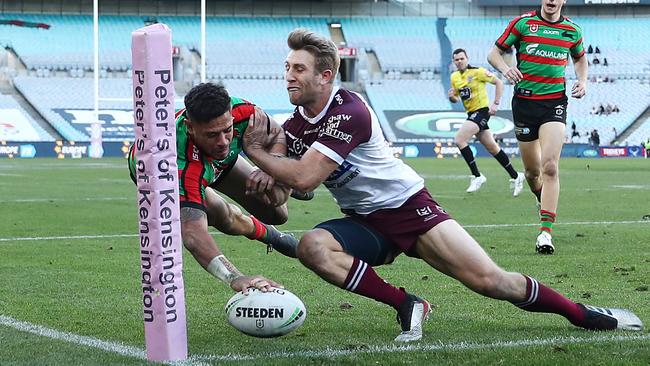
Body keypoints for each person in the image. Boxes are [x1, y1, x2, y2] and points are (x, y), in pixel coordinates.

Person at [242, 28, 642, 342]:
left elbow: (307, 177)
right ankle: (408, 304)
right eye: (287, 68)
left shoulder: (349, 110)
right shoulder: (295, 125)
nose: (288, 76)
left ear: (325, 76)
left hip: (409, 209)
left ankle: (585, 314)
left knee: (491, 282)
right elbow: (293, 193)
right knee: (314, 247)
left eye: (298, 69)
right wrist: (270, 175)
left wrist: (258, 154)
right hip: (365, 220)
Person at [128, 82, 299, 293]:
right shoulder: (179, 166)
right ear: (191, 128)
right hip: (164, 172)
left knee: (277, 214)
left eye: (227, 130)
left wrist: (273, 164)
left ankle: (285, 200)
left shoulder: (245, 113)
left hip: (215, 162)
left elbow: (277, 135)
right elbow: (193, 234)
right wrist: (235, 277)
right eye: (212, 135)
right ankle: (271, 234)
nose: (223, 142)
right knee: (223, 217)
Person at [487, 0, 589, 254]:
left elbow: (580, 59)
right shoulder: (523, 24)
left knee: (550, 166)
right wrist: (505, 69)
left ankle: (545, 232)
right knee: (533, 173)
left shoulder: (572, 31)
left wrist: (582, 80)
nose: (552, 1)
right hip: (524, 104)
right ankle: (541, 198)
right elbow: (493, 53)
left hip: (554, 104)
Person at [448, 48, 525, 195]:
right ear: (454, 61)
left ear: (467, 58)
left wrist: (495, 103)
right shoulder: (455, 77)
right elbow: (456, 97)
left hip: (482, 112)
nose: (459, 62)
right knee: (493, 148)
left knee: (459, 139)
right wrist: (452, 97)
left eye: (461, 59)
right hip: (471, 114)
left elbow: (498, 83)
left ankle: (477, 176)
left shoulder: (478, 72)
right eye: (456, 60)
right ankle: (516, 176)